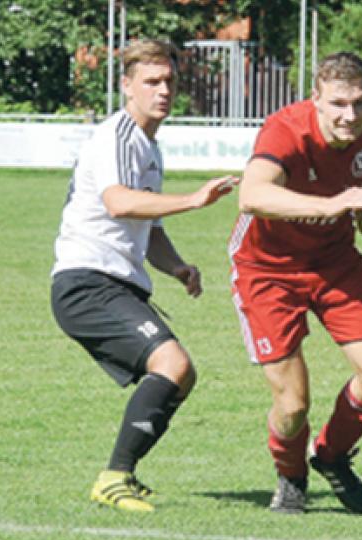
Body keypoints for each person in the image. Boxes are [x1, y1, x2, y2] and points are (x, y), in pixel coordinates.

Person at [50, 39, 238, 513]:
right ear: (127, 85)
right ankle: (113, 477)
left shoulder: (149, 146)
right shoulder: (117, 135)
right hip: (86, 283)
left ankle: (122, 474)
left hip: (112, 283)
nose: (163, 90)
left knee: (181, 373)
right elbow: (119, 202)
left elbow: (147, 226)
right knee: (172, 366)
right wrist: (194, 199)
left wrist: (176, 267)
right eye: (151, 81)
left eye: (170, 81)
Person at [229, 51, 362, 515]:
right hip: (268, 269)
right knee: (293, 404)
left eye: (360, 103)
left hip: (334, 260)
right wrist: (332, 204)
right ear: (316, 100)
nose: (351, 115)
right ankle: (291, 477)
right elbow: (252, 194)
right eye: (338, 104)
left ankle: (331, 455)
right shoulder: (285, 131)